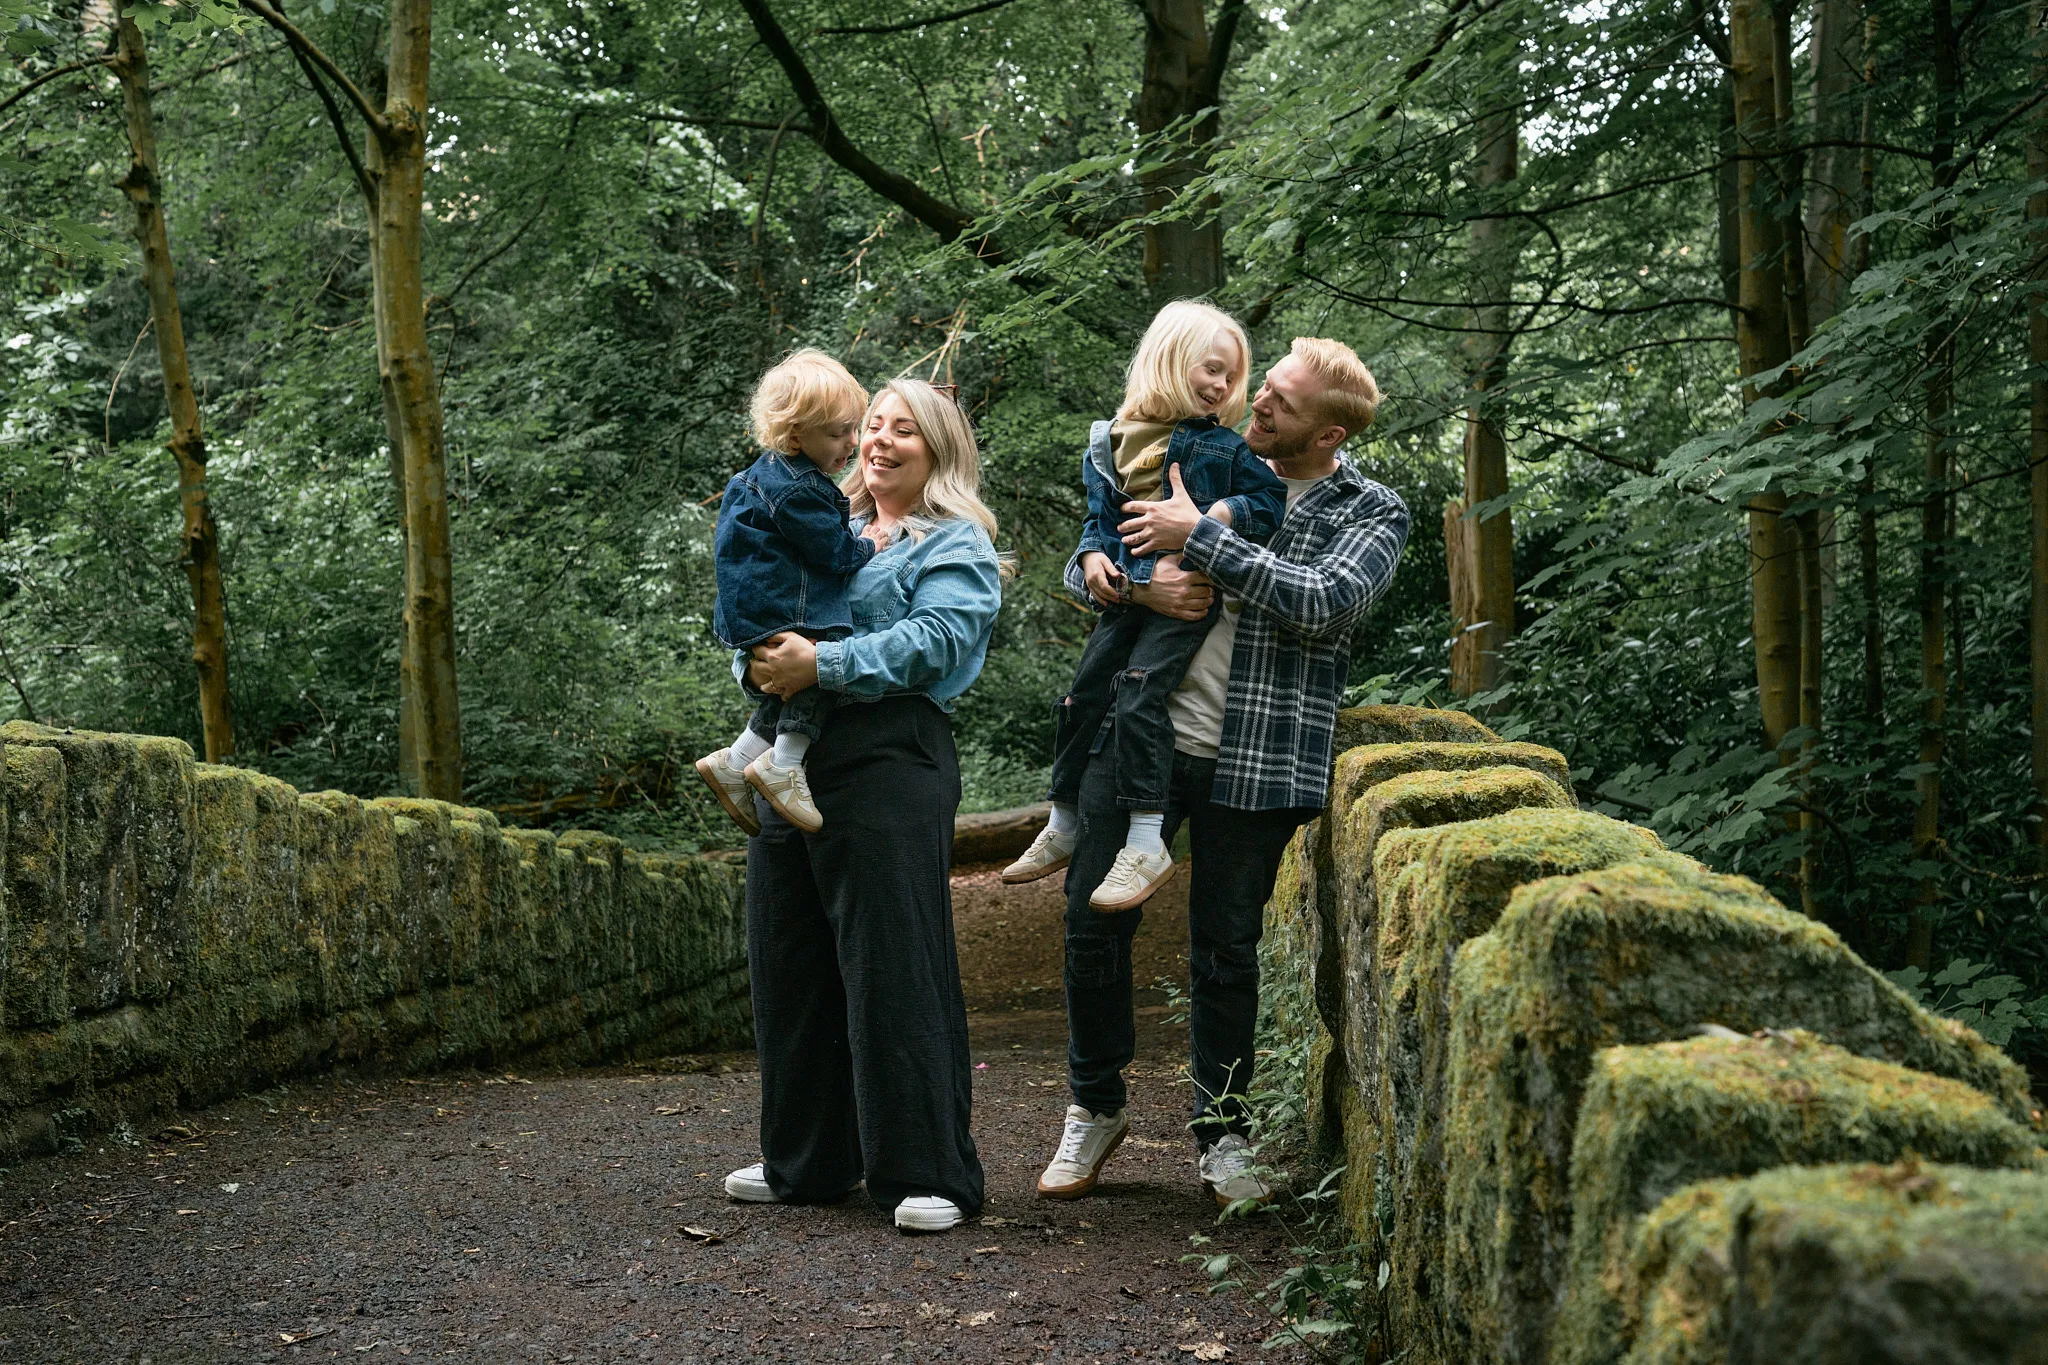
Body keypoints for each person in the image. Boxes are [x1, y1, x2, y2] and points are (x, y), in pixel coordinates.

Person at [1030, 337, 1410, 1207]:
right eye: (1262, 385)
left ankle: (1222, 1135)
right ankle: (1094, 1106)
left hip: (1260, 753)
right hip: (1139, 737)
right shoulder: (1195, 447)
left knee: (1225, 951)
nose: (1259, 402)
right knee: (1091, 923)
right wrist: (1117, 580)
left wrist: (1201, 537)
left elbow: (1322, 603)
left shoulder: (1371, 509)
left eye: (1281, 400)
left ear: (1328, 434)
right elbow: (1107, 541)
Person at [722, 378, 1008, 1235]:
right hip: (793, 761)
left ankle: (930, 1172)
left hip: (892, 755)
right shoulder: (823, 524)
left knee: (893, 959)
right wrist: (762, 663)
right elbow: (762, 607)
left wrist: (826, 668)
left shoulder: (953, 544)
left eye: (906, 431)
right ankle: (807, 1162)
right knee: (790, 959)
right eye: (873, 424)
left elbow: (941, 641)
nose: (882, 440)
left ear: (940, 452)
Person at [1002, 301, 1286, 913]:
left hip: (1186, 597)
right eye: (1212, 369)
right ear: (1168, 358)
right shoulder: (1107, 440)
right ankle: (1065, 817)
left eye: (1230, 378)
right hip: (1126, 597)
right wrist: (1089, 559)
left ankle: (1145, 840)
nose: (1222, 386)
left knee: (1137, 695)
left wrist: (1213, 519)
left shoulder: (1222, 449)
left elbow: (1268, 503)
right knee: (1082, 695)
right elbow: (1098, 522)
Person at [694, 349, 875, 836]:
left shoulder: (757, 476)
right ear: (796, 433)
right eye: (839, 433)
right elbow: (834, 554)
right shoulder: (799, 489)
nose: (852, 444)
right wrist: (866, 546)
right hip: (783, 603)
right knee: (820, 664)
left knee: (789, 684)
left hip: (752, 605)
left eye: (854, 429)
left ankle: (737, 761)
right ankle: (784, 762)